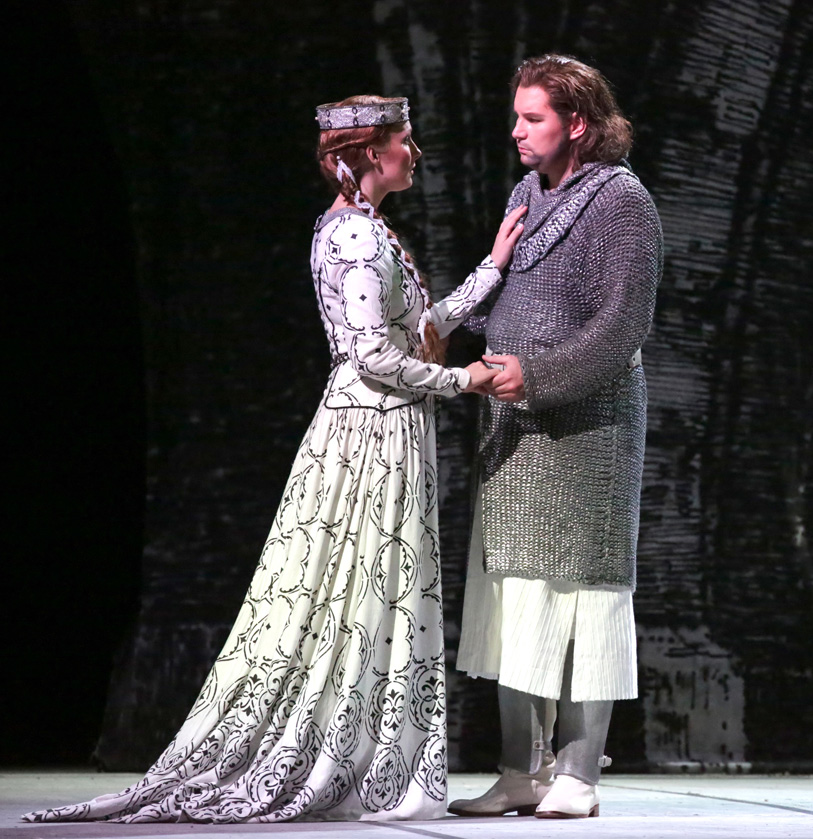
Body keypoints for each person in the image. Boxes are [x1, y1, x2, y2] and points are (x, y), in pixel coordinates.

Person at [23, 95, 526, 824]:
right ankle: (343, 756)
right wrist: (466, 381)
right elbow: (372, 357)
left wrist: (492, 268)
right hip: (371, 434)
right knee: (354, 589)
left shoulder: (357, 229)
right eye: (404, 142)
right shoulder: (356, 237)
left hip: (381, 427)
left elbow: (417, 327)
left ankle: (363, 753)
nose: (414, 154)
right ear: (369, 153)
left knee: (362, 590)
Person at [449, 55, 664, 819]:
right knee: (515, 593)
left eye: (532, 117)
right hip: (515, 432)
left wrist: (536, 375)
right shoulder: (527, 194)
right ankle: (521, 770)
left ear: (577, 122)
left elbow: (623, 324)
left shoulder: (621, 201)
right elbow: (508, 302)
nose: (516, 130)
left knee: (583, 598)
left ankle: (577, 774)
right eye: (517, 116)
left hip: (587, 430)